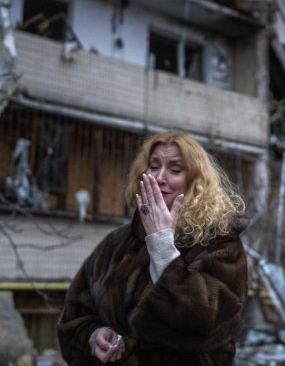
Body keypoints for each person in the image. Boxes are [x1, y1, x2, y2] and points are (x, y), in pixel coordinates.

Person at [57, 130, 248, 365]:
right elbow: (75, 315)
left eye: (175, 169)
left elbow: (204, 320)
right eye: (154, 166)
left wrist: (162, 244)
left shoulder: (220, 243)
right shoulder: (117, 243)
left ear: (196, 181)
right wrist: (94, 336)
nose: (159, 178)